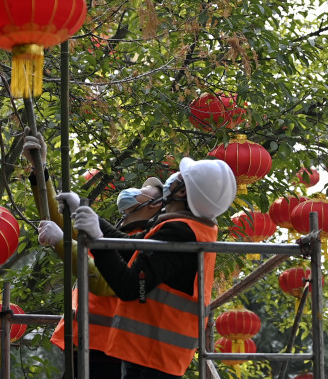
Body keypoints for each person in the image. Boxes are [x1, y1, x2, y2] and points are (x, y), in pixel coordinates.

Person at [60, 157, 237, 379]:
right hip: (152, 354)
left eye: (179, 178)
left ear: (182, 192)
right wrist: (84, 211)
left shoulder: (180, 233)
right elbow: (127, 247)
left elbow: (132, 287)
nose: (170, 180)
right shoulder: (185, 228)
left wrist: (96, 238)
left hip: (153, 358)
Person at [28, 132, 164, 378]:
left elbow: (104, 281)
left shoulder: (144, 242)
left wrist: (61, 241)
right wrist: (40, 171)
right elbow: (59, 220)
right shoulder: (111, 233)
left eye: (143, 190)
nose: (134, 190)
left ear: (154, 205)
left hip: (110, 351)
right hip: (86, 342)